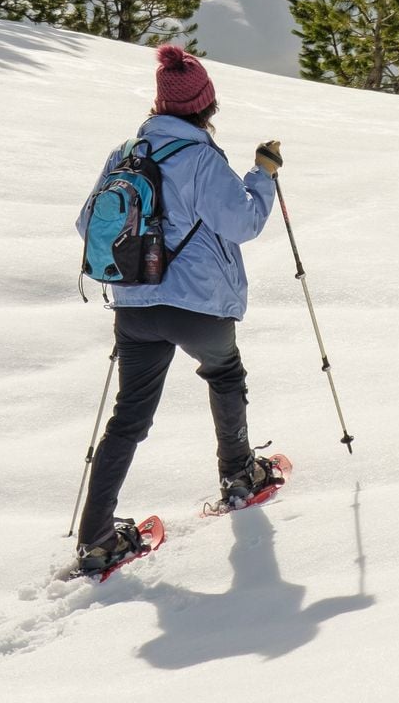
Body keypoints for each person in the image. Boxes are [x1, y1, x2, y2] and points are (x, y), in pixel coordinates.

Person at [74, 42, 283, 574]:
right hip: (197, 305)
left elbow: (86, 225)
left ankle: (97, 539)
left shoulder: (126, 153)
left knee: (129, 418)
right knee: (224, 374)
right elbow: (243, 225)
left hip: (135, 304)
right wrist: (262, 175)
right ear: (204, 106)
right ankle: (239, 475)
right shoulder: (201, 159)